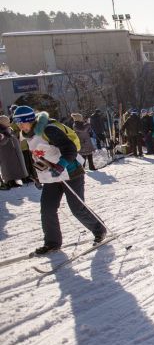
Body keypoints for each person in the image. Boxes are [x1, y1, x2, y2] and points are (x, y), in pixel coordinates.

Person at [13, 106, 106, 254]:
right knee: (47, 209)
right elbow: (38, 155)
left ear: (30, 120)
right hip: (51, 177)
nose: (20, 126)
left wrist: (61, 165)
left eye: (22, 122)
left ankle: (99, 229)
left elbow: (70, 149)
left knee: (77, 208)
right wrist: (37, 176)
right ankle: (52, 243)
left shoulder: (48, 129)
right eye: (17, 123)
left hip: (71, 172)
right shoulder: (26, 134)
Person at [0, 115, 28, 189]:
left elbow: (13, 138)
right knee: (7, 167)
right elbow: (2, 142)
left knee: (14, 166)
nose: (9, 122)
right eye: (7, 121)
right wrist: (7, 134)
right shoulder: (1, 130)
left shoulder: (9, 129)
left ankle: (14, 181)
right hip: (5, 152)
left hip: (13, 150)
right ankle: (8, 181)